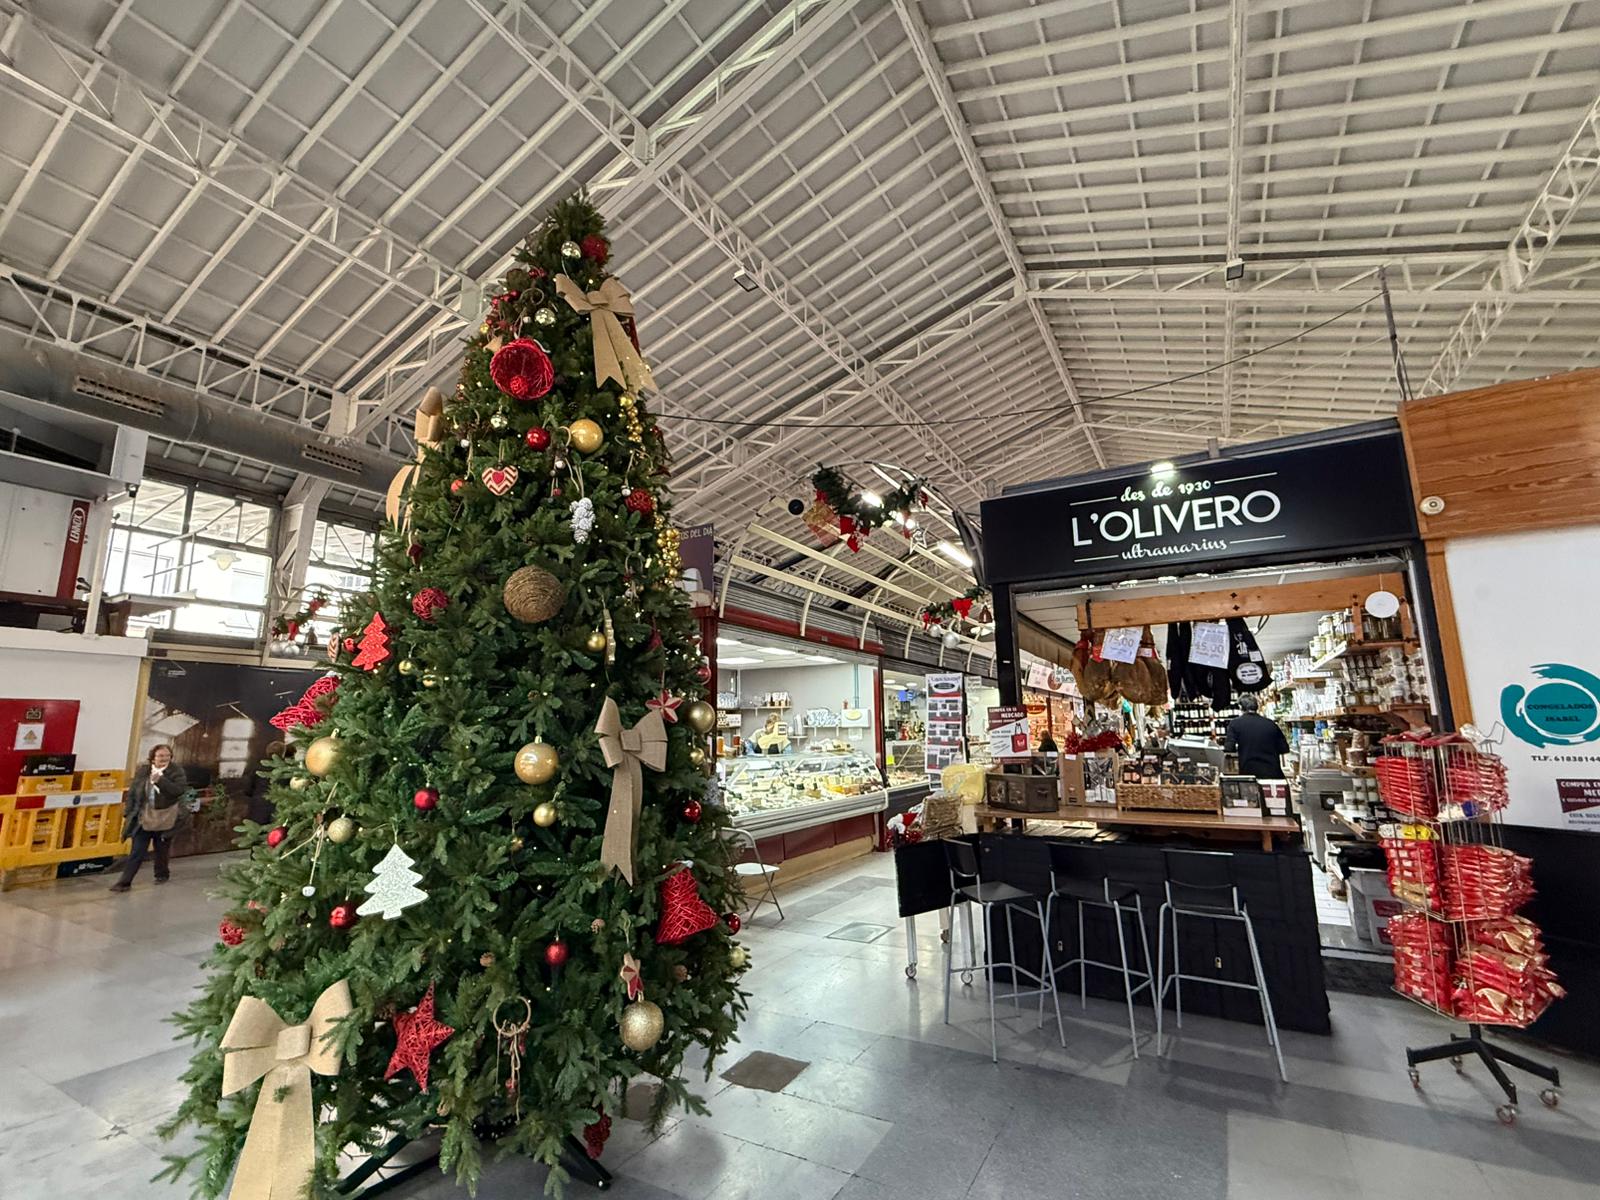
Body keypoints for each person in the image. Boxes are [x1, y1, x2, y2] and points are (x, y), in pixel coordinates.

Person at [110, 744, 187, 892]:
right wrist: (128, 811)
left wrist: (161, 781)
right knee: (137, 850)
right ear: (153, 758)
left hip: (165, 818)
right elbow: (133, 792)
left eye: (167, 756)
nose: (164, 759)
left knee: (161, 849)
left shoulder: (176, 771)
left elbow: (178, 791)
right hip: (143, 817)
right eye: (160, 756)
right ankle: (124, 882)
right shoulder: (144, 771)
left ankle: (162, 874)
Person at [1224, 694, 1290, 780]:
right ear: (1257, 706)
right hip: (1273, 772)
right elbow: (1284, 749)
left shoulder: (1235, 724)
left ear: (1240, 707)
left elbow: (1229, 748)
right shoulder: (1271, 724)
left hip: (1249, 773)